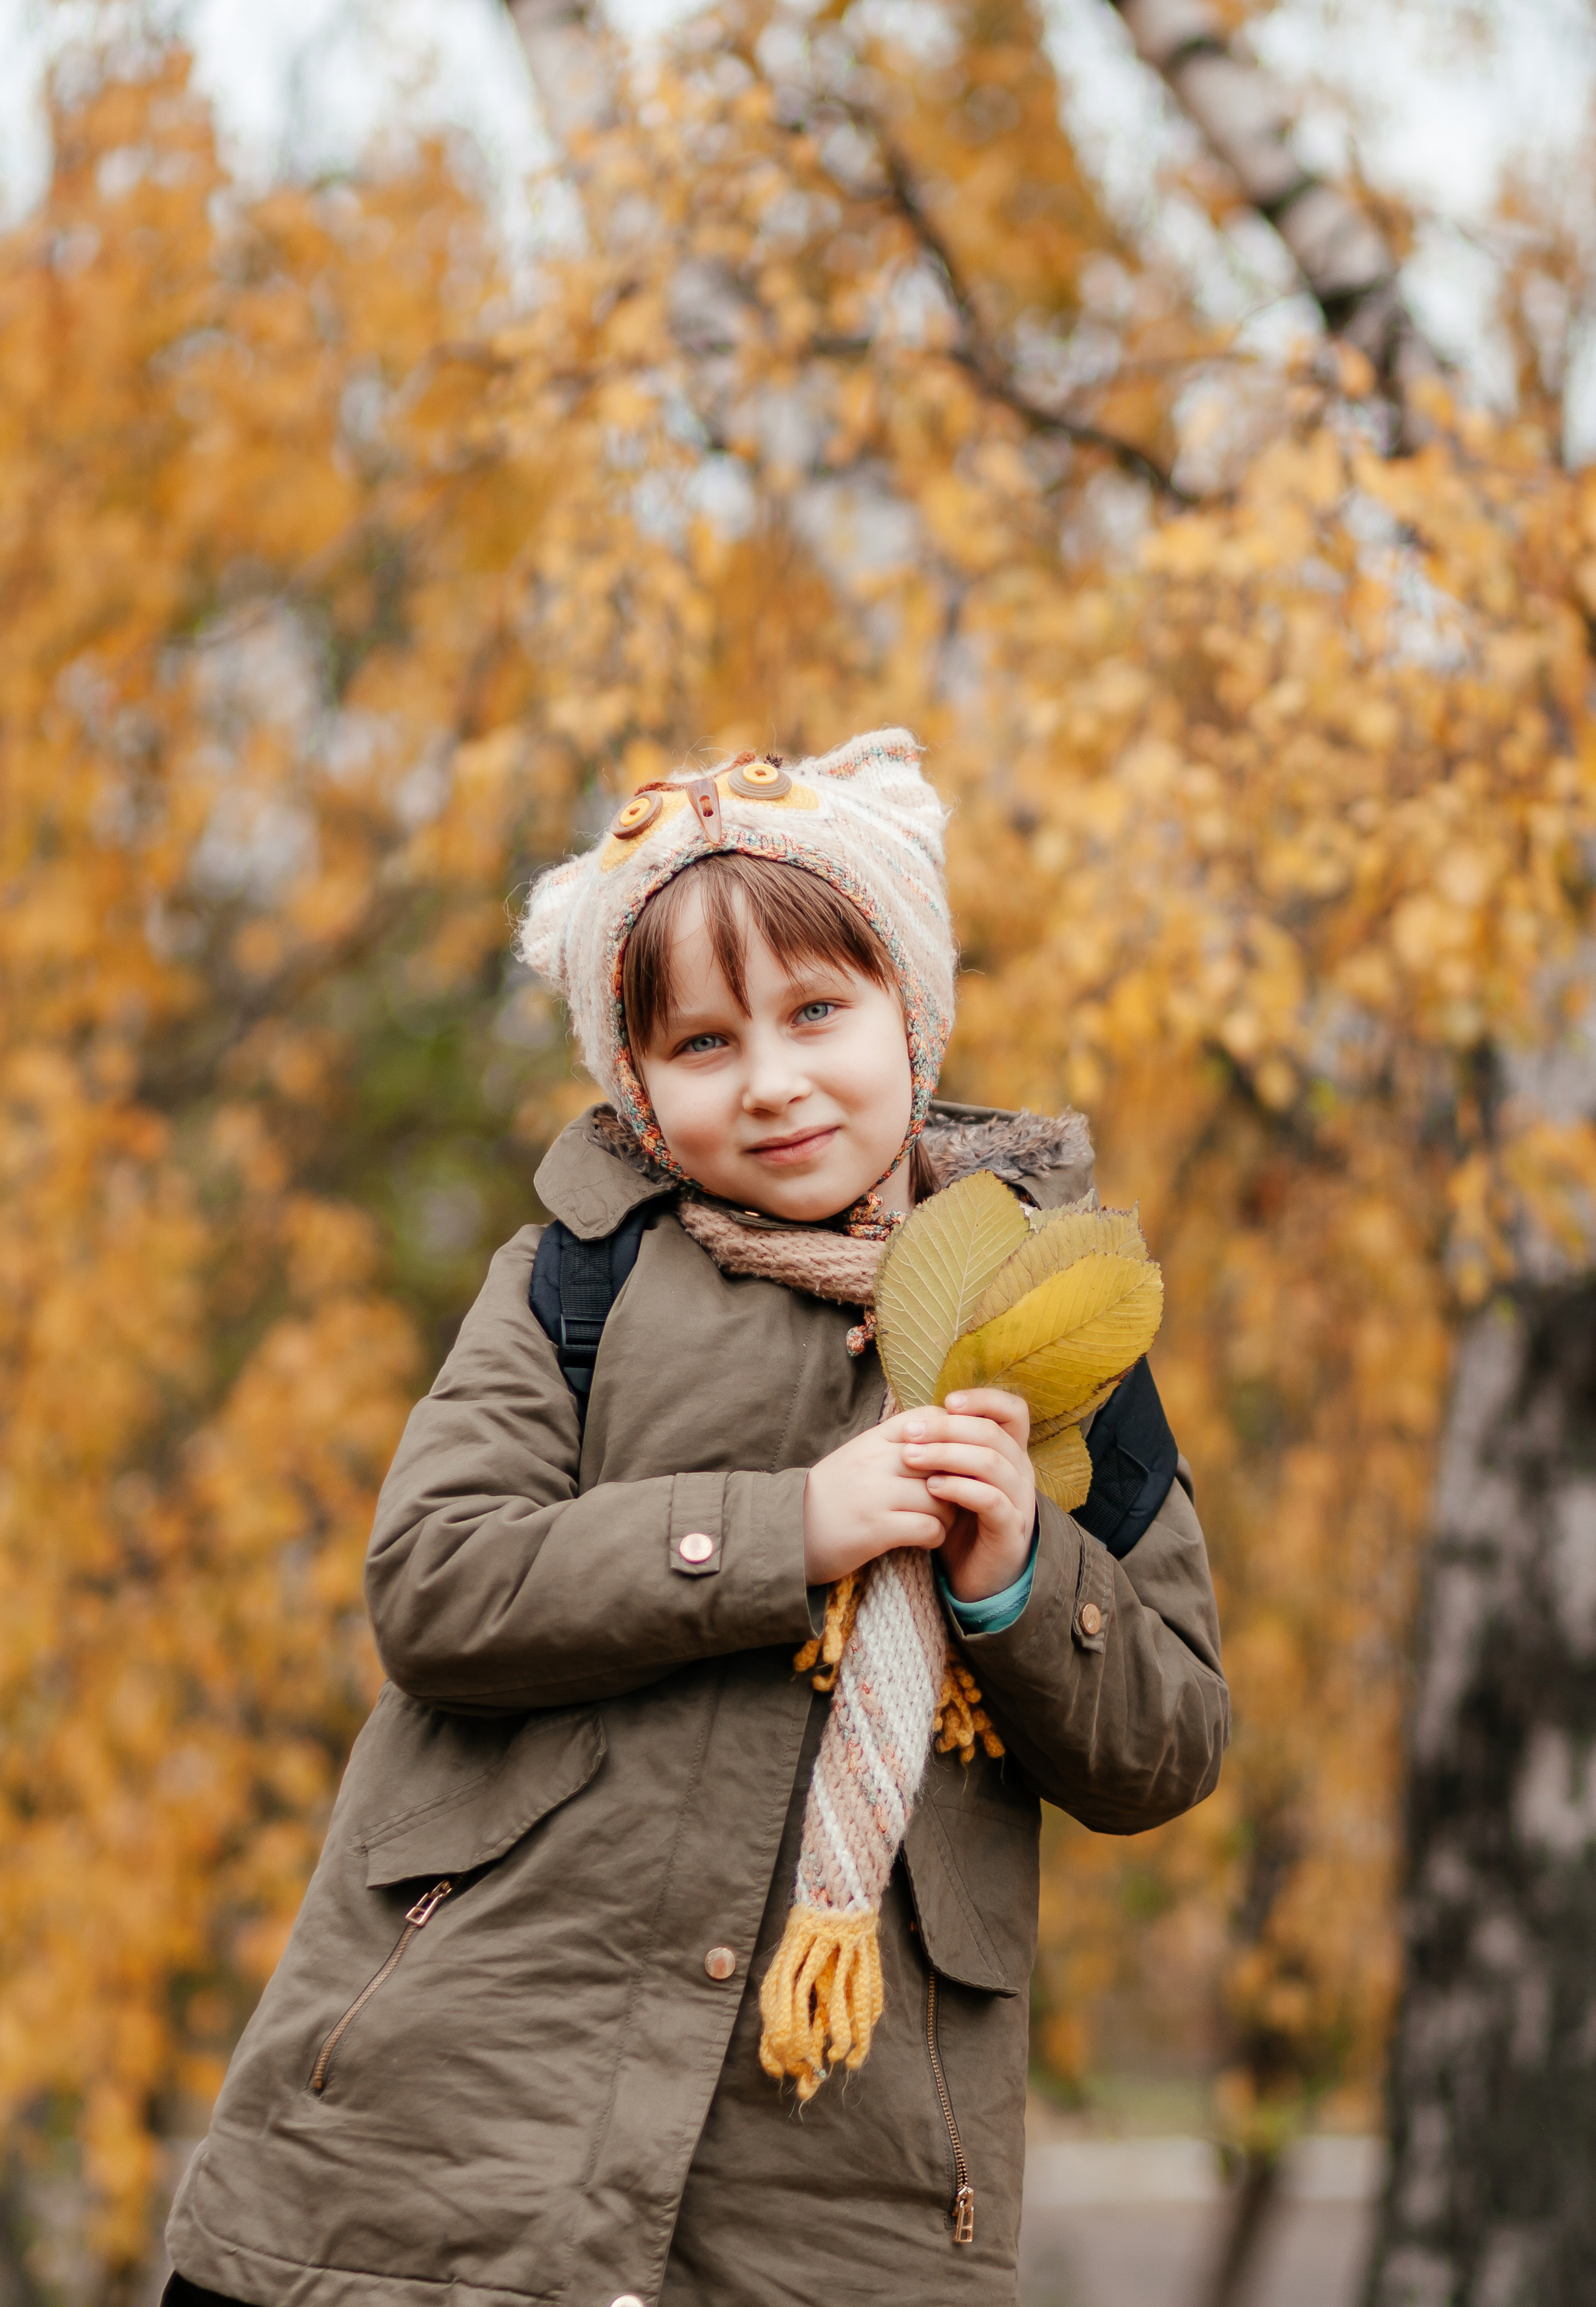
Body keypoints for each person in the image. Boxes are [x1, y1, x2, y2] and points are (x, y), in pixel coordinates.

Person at [164, 728, 1228, 2307]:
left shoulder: (1054, 1326)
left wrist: (1016, 1574)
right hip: (451, 2134)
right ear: (641, 1087)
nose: (773, 1080)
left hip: (836, 2189)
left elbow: (1168, 1745)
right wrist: (784, 1531)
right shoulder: (571, 1278)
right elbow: (435, 1584)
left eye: (816, 1013)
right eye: (705, 1042)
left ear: (909, 1015)